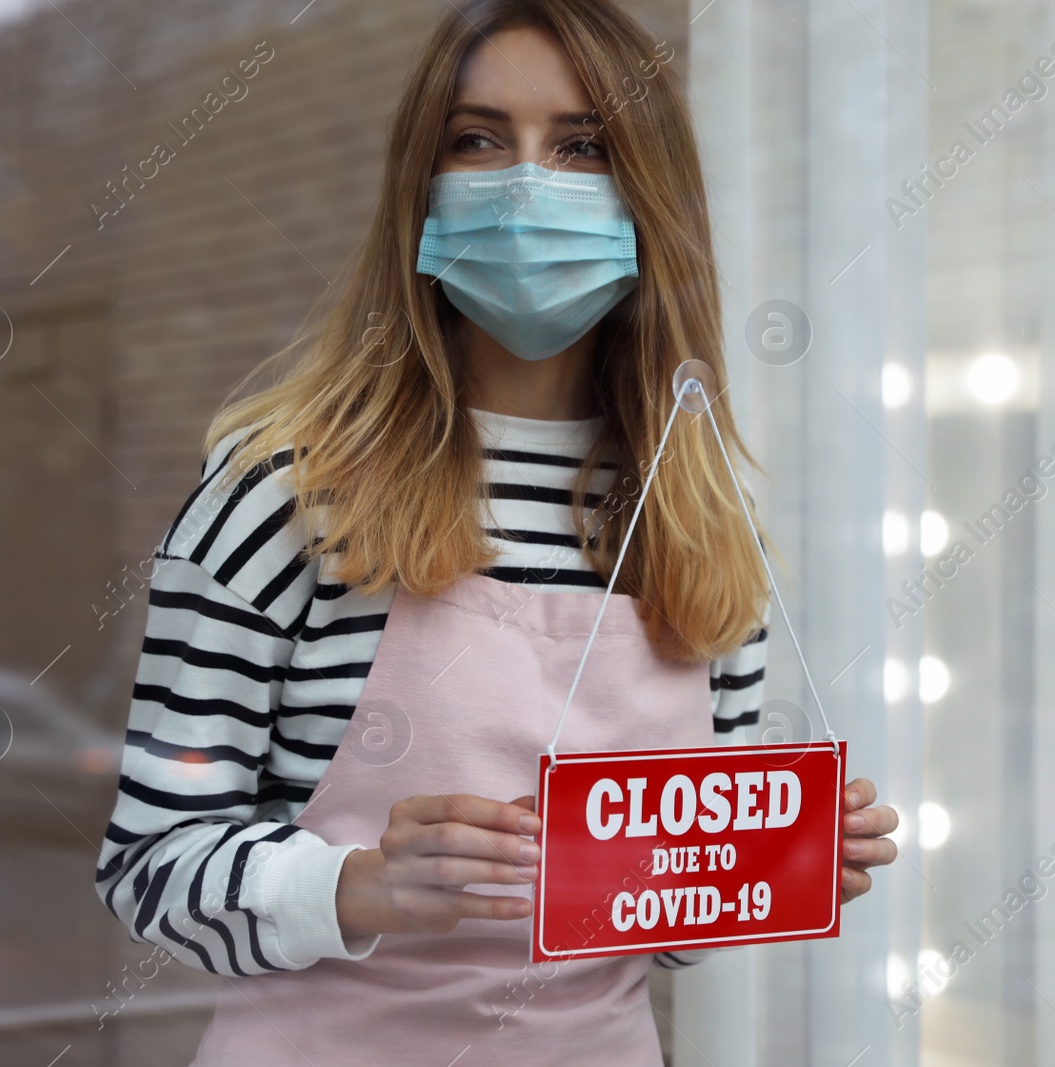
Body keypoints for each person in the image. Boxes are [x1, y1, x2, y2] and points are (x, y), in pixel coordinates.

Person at [94, 0, 898, 1062]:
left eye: (581, 146)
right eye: (478, 141)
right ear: (418, 191)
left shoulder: (702, 514)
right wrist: (358, 882)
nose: (527, 184)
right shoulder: (277, 491)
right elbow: (150, 866)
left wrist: (764, 859)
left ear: (648, 195)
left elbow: (665, 942)